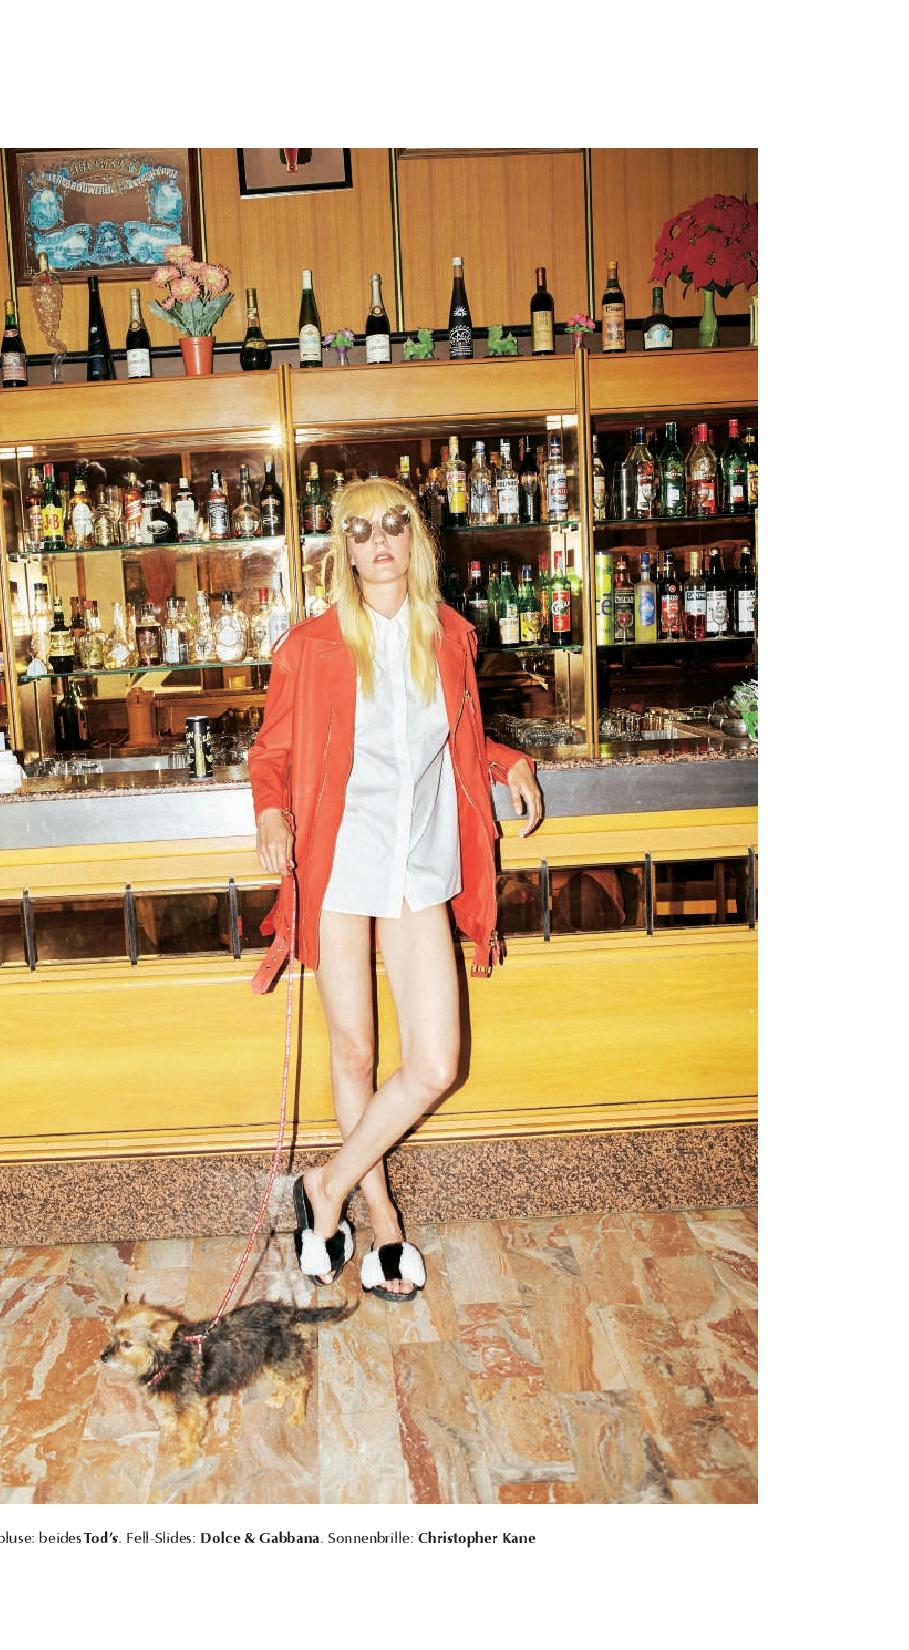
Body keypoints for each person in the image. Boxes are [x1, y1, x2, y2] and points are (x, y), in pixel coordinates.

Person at [248, 477, 543, 1299]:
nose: (378, 543)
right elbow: (271, 752)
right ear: (342, 550)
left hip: (418, 864)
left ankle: (325, 1187)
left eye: (393, 526)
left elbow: (458, 739)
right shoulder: (310, 646)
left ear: (416, 539)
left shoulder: (448, 635)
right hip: (341, 861)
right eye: (360, 531)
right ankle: (382, 1225)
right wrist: (270, 812)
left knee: (436, 1063)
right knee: (355, 1052)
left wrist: (508, 763)